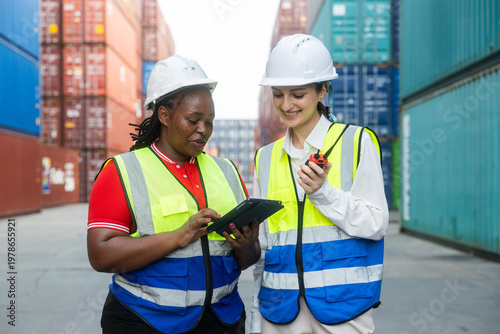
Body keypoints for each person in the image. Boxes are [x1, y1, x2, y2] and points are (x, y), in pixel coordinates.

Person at [87, 55, 260, 334]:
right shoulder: (122, 171)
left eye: (210, 121)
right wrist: (179, 236)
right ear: (164, 115)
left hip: (222, 320)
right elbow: (100, 255)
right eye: (193, 120)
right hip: (144, 321)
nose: (203, 130)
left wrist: (246, 244)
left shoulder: (227, 171)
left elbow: (247, 259)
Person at [250, 34, 388, 334]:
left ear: (322, 90)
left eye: (297, 94)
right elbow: (264, 247)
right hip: (279, 310)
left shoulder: (357, 142)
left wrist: (324, 194)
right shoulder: (265, 157)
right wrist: (256, 315)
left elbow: (376, 223)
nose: (286, 105)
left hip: (343, 308)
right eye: (277, 94)